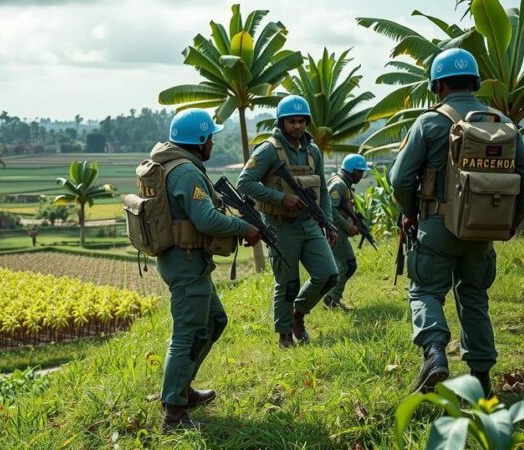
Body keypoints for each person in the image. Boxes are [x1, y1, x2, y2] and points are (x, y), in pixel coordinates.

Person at [390, 48, 524, 395]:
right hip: (482, 233)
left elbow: (400, 179)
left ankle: (434, 354)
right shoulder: (501, 123)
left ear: (437, 85)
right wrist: (507, 223)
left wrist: (411, 211)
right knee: (474, 299)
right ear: (474, 82)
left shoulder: (428, 122)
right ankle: (482, 381)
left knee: (426, 291)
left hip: (436, 229)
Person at [152, 109, 261, 431]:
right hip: (185, 263)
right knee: (190, 334)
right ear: (199, 140)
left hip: (186, 260)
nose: (213, 141)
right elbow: (206, 219)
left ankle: (182, 388)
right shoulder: (185, 172)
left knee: (215, 321)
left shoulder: (171, 164)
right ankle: (173, 413)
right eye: (210, 136)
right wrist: (243, 228)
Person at [238, 95, 338, 349]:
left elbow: (323, 189)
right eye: (291, 122)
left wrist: (327, 222)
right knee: (288, 281)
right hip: (279, 224)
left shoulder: (312, 150)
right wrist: (281, 198)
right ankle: (284, 334)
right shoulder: (269, 150)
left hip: (309, 223)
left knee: (328, 275)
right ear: (281, 122)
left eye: (301, 121)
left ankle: (298, 314)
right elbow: (244, 183)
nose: (297, 126)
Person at [323, 154, 371, 310]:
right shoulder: (339, 185)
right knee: (347, 265)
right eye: (360, 171)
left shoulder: (344, 183)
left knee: (346, 265)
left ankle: (332, 298)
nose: (362, 175)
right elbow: (331, 209)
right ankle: (332, 300)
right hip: (335, 231)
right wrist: (348, 226)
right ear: (352, 170)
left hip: (338, 231)